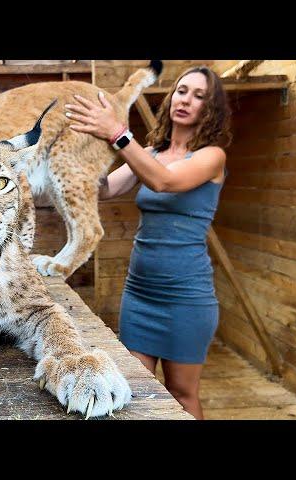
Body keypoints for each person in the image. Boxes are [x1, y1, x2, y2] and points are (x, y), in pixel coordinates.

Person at [65, 66, 231, 419]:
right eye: (182, 90)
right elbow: (106, 189)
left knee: (182, 394)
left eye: (199, 96)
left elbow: (165, 183)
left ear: (211, 109)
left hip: (187, 298)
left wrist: (117, 133)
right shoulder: (152, 152)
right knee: (135, 389)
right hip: (140, 294)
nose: (186, 99)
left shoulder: (212, 157)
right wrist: (64, 165)